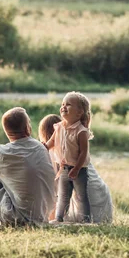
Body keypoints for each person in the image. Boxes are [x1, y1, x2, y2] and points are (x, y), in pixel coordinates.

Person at [39, 114, 113, 224]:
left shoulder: (54, 155)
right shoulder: (73, 149)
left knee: (57, 213)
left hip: (90, 211)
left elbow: (54, 194)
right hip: (104, 205)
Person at [43, 92, 94, 224]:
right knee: (63, 195)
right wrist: (43, 147)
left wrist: (76, 169)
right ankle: (59, 218)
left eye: (68, 104)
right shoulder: (59, 127)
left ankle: (85, 220)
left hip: (79, 170)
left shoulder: (81, 131)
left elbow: (83, 152)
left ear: (79, 113)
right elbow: (51, 142)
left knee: (81, 196)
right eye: (62, 104)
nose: (64, 107)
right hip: (64, 168)